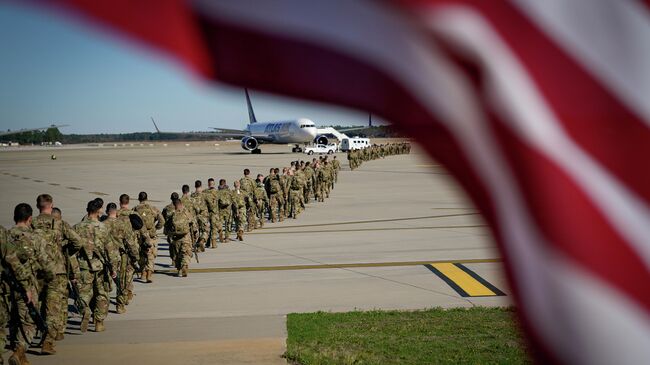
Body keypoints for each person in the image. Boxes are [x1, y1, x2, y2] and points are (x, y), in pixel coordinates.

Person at [31, 194, 84, 354]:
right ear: (51, 205)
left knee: (37, 304)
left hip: (36, 270)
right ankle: (48, 341)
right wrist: (64, 252)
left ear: (37, 205)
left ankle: (35, 335)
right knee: (53, 307)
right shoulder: (59, 223)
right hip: (56, 271)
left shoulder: (31, 223)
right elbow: (78, 242)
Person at [5, 204, 55, 365]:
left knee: (12, 320)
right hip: (26, 285)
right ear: (30, 219)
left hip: (5, 285)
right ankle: (19, 350)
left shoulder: (6, 235)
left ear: (14, 216)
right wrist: (48, 279)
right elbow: (46, 264)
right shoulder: (34, 238)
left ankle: (19, 354)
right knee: (28, 321)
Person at [73, 200, 119, 333]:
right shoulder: (102, 227)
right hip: (100, 267)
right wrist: (113, 268)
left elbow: (70, 250)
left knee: (84, 293)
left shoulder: (77, 227)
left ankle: (85, 311)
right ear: (98, 210)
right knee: (101, 294)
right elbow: (110, 250)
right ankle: (99, 322)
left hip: (83, 266)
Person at [103, 202, 140, 314]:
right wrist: (135, 257)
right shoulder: (123, 224)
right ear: (116, 212)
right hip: (120, 257)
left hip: (105, 257)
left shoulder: (102, 225)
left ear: (106, 212)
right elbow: (130, 243)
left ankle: (102, 307)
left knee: (104, 282)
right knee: (121, 282)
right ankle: (120, 306)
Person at [134, 192, 164, 283]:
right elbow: (162, 220)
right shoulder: (153, 209)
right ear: (147, 198)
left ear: (139, 199)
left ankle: (143, 272)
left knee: (141, 254)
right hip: (151, 235)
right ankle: (149, 273)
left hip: (140, 236)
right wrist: (156, 228)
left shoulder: (135, 209)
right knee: (151, 254)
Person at [167, 198, 197, 277]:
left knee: (177, 255)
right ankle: (184, 266)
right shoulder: (186, 213)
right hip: (185, 237)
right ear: (181, 204)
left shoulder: (171, 214)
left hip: (175, 238)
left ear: (174, 205)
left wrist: (169, 237)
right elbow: (194, 226)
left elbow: (167, 227)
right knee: (185, 254)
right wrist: (195, 236)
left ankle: (179, 269)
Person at [190, 180, 210, 250]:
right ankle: (202, 240)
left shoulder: (192, 195)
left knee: (197, 231)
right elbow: (210, 204)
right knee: (205, 230)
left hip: (195, 216)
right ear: (201, 186)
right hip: (203, 215)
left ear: (195, 186)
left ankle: (197, 247)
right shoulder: (204, 195)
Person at [204, 178, 222, 247]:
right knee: (214, 228)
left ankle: (207, 242)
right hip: (215, 213)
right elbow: (221, 202)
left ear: (208, 184)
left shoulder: (204, 192)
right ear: (214, 184)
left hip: (206, 213)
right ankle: (214, 242)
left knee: (207, 228)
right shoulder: (217, 192)